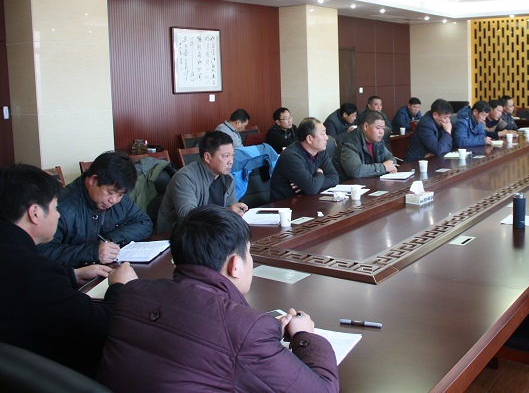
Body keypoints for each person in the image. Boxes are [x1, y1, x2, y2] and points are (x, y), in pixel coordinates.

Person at [97, 205, 339, 392]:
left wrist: (262, 340)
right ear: (235, 265)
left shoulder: (131, 294)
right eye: (249, 254)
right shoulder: (246, 330)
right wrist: (304, 335)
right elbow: (323, 389)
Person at [0, 164, 137, 377]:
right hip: (51, 374)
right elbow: (103, 327)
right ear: (35, 213)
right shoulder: (37, 273)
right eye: (55, 208)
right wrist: (120, 286)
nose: (57, 215)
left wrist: (73, 274)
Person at [38, 151, 152, 267]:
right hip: (75, 275)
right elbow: (42, 252)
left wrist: (110, 240)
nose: (114, 200)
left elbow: (144, 223)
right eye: (110, 193)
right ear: (93, 180)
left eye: (121, 195)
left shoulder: (118, 196)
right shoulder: (60, 207)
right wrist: (93, 252)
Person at [157, 131, 248, 233]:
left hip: (213, 232)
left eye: (232, 155)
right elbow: (188, 217)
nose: (231, 161)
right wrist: (227, 212)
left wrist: (237, 212)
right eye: (226, 156)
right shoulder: (184, 178)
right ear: (207, 157)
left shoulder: (228, 178)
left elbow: (231, 209)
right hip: (180, 235)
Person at [270, 118, 339, 201]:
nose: (327, 137)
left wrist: (311, 184)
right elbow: (311, 188)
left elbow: (334, 178)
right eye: (323, 134)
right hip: (285, 204)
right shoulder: (291, 156)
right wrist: (320, 173)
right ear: (309, 139)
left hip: (307, 200)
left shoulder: (320, 151)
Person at [333, 110, 397, 181]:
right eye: (378, 128)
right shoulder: (350, 143)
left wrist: (390, 165)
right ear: (366, 126)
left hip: (371, 181)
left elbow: (390, 157)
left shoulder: (377, 141)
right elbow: (356, 171)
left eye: (383, 128)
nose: (382, 132)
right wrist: (384, 167)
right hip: (349, 184)